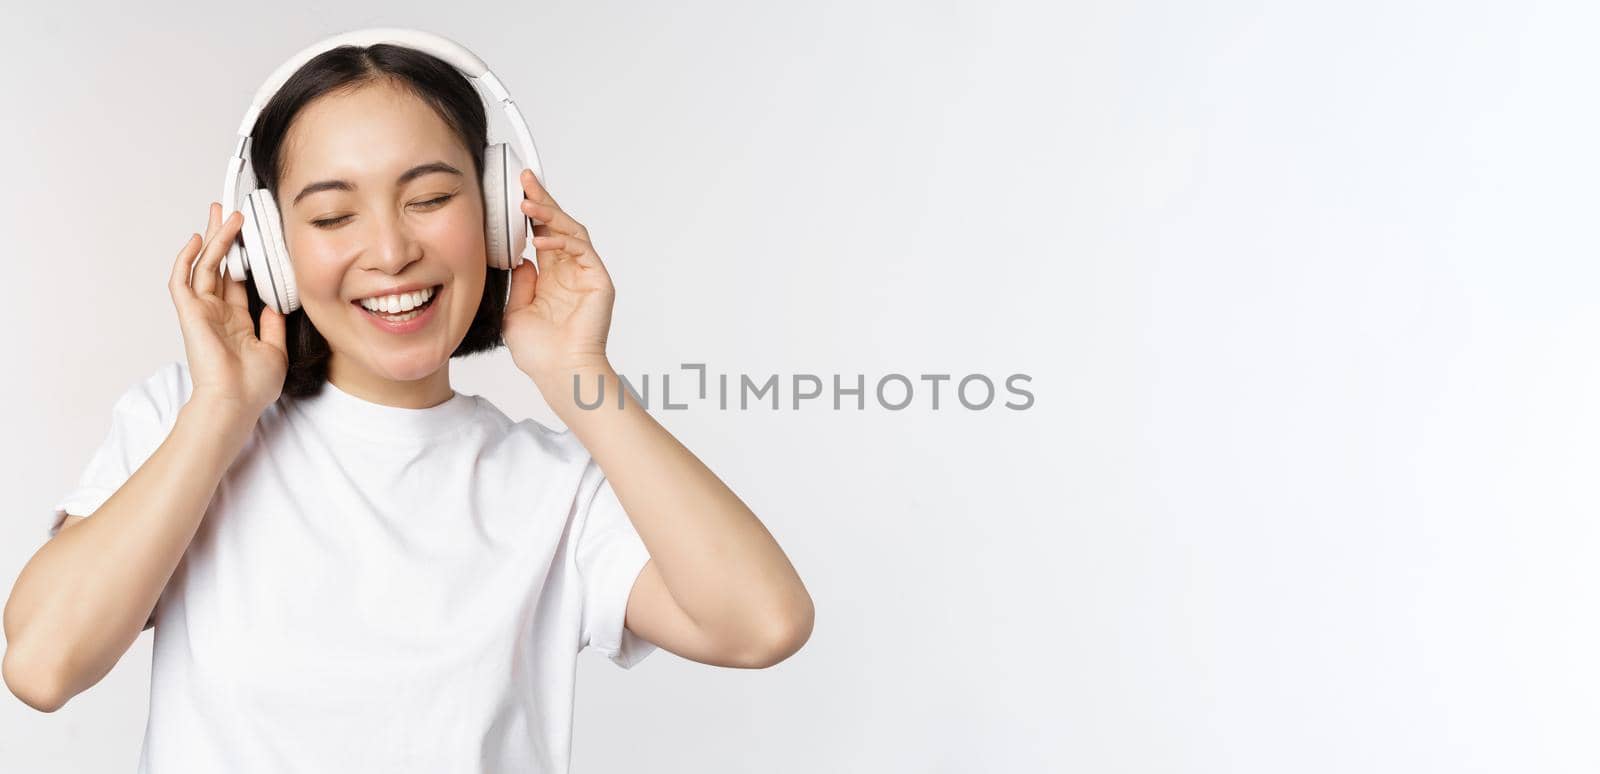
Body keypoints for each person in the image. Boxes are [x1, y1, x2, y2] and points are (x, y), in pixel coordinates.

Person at [1, 40, 813, 771]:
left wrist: (579, 377)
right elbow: (42, 666)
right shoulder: (185, 423)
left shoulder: (558, 486)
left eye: (428, 198)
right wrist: (222, 408)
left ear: (496, 214)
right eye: (331, 215)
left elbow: (762, 623)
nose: (391, 252)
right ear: (274, 252)